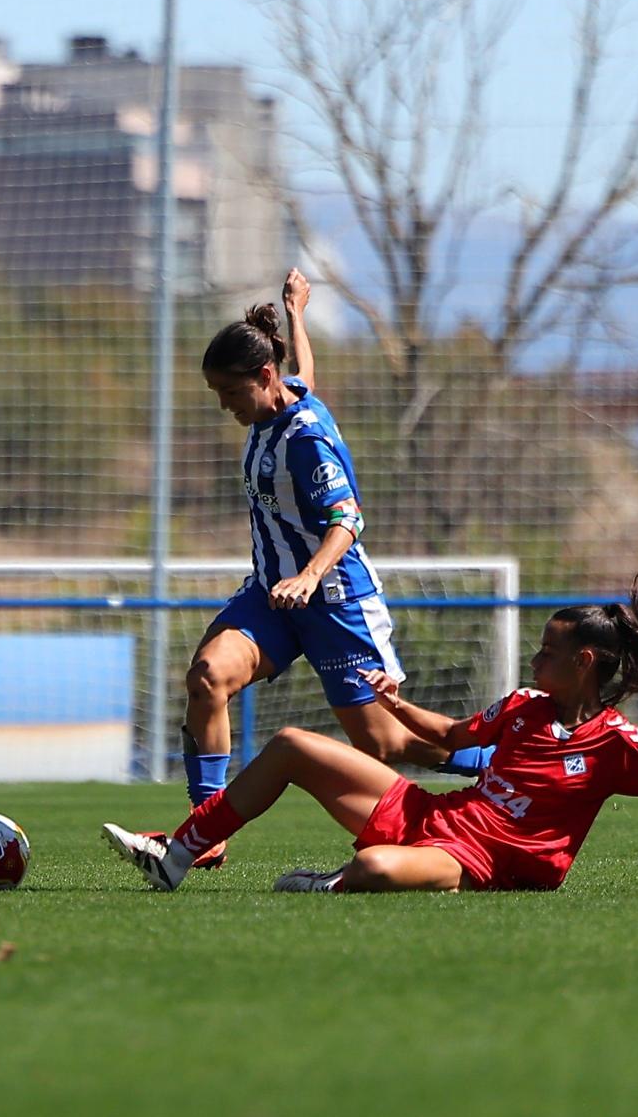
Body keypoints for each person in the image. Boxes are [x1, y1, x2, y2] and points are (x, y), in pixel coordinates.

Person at [105, 546, 638, 896]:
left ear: (585, 663)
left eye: (548, 652)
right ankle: (179, 856)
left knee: (375, 870)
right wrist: (395, 705)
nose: (535, 659)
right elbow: (450, 737)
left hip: (478, 861)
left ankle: (329, 884)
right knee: (291, 745)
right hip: (438, 818)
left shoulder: (619, 742)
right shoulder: (523, 706)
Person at [161, 269, 488, 868]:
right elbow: (305, 373)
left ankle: (501, 763)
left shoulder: (306, 439)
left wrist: (309, 576)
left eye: (230, 392)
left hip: (334, 598)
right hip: (274, 597)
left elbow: (347, 519)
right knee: (207, 677)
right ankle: (205, 832)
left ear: (262, 378)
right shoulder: (280, 398)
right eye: (216, 393)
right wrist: (297, 315)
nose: (225, 404)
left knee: (384, 743)